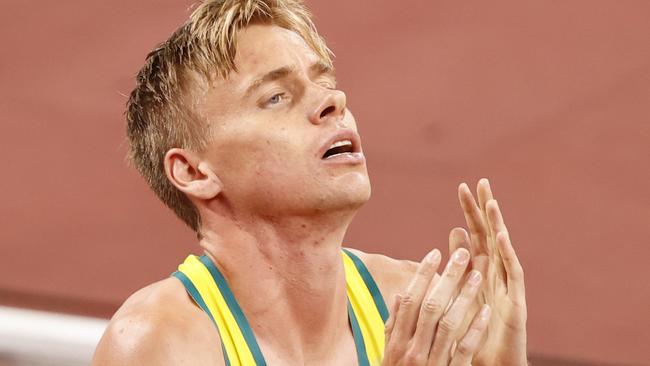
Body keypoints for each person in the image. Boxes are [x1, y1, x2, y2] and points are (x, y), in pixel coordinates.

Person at [92, 0, 527, 364]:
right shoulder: (163, 342)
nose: (332, 101)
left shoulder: (416, 310)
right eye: (275, 97)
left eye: (326, 82)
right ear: (194, 172)